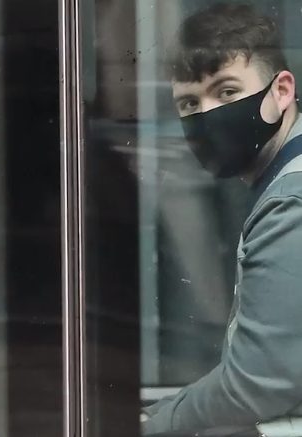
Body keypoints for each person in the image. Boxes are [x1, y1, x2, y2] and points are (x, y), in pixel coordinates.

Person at [142, 3, 302, 433]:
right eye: (189, 103)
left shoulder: (290, 201)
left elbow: (258, 384)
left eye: (227, 92)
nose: (208, 114)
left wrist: (147, 426)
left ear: (282, 90)